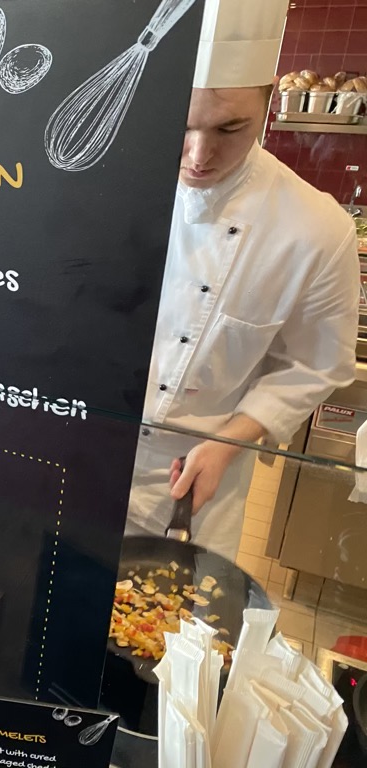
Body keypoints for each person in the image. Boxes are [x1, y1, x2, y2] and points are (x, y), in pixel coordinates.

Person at [127, 0, 360, 560]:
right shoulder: (110, 189)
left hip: (196, 475)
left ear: (269, 100)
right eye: (179, 124)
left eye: (230, 128)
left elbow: (315, 364)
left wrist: (229, 443)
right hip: (83, 452)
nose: (198, 155)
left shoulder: (316, 227)